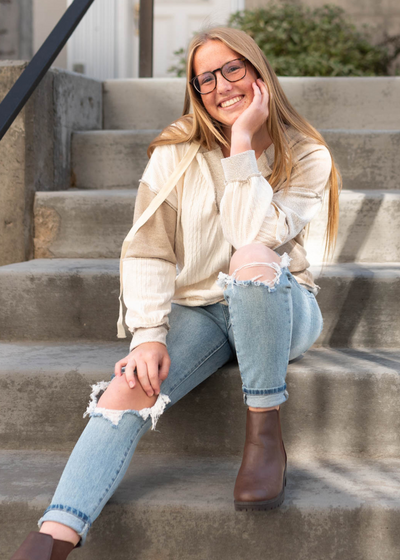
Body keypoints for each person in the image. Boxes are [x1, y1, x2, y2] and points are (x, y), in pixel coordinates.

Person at [11, 25, 341, 559]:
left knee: (252, 259)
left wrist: (240, 146)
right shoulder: (176, 151)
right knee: (125, 391)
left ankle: (264, 434)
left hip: (280, 305)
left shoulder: (305, 155)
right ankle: (52, 540)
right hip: (203, 311)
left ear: (259, 72)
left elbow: (249, 236)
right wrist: (147, 335)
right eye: (204, 78)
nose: (221, 86)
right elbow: (147, 249)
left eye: (232, 68)